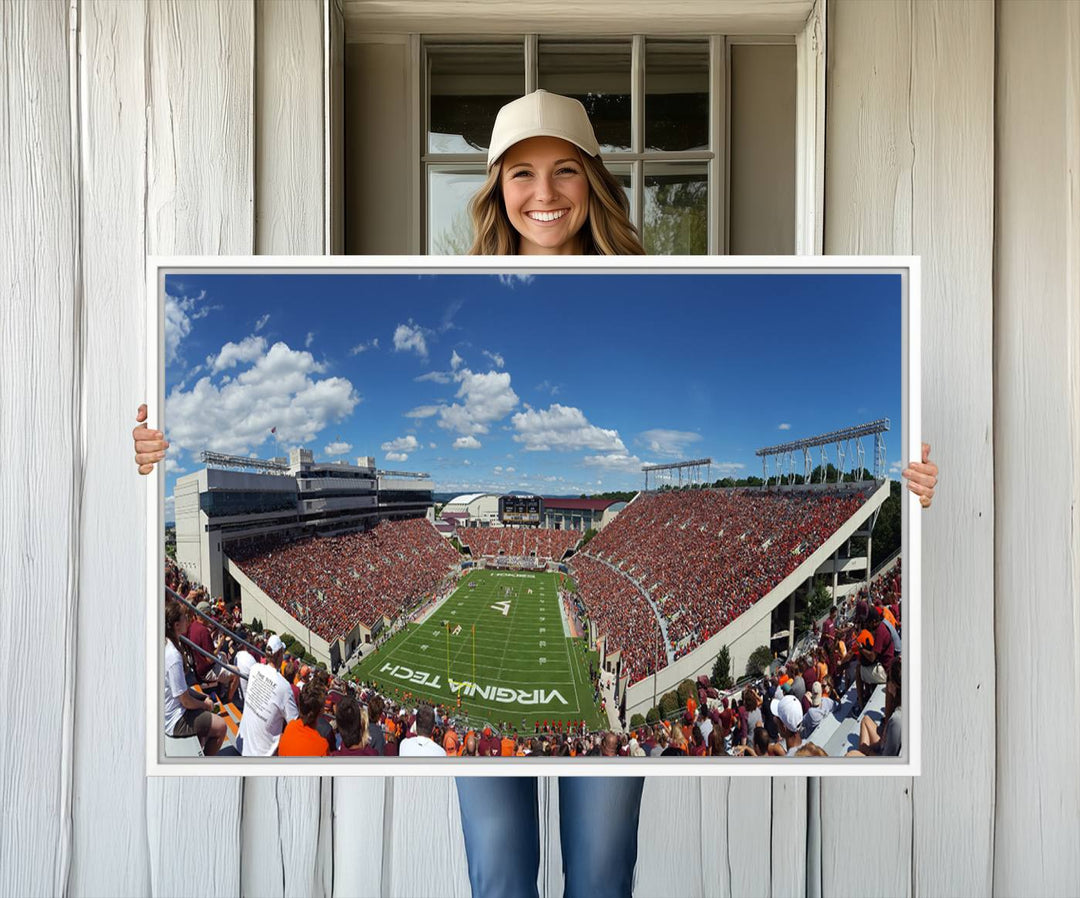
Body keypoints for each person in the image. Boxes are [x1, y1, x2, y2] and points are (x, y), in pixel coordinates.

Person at [133, 89, 938, 898]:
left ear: (593, 181)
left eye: (564, 171)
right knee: (500, 873)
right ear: (495, 189)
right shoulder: (458, 287)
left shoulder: (653, 283)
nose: (544, 193)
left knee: (598, 873)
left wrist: (911, 481)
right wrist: (153, 454)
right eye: (521, 173)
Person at [164, 600, 227, 755]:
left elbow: (181, 688)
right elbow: (184, 700)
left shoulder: (167, 644)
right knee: (221, 726)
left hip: (171, 711)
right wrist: (204, 705)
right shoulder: (173, 656)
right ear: (176, 625)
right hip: (175, 719)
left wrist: (201, 697)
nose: (188, 619)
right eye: (184, 617)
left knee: (205, 701)